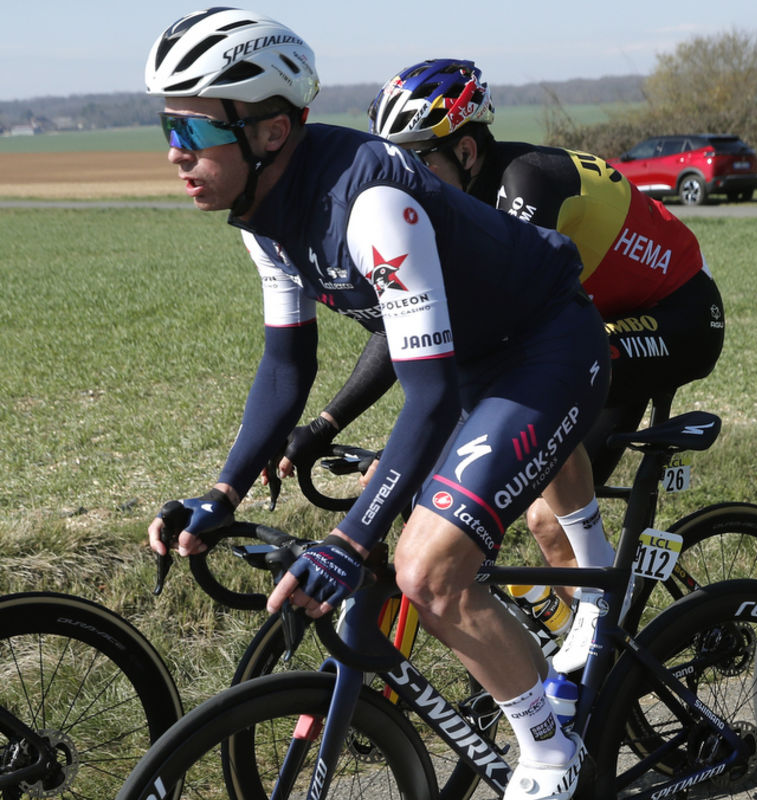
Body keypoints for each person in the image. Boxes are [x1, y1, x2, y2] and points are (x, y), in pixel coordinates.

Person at [141, 9, 604, 798]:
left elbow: (423, 395)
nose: (176, 155)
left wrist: (350, 542)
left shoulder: (369, 205)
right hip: (472, 363)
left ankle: (553, 753)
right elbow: (287, 368)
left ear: (271, 132)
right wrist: (219, 496)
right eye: (168, 130)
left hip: (542, 347)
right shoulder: (262, 216)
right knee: (398, 531)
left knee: (426, 568)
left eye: (193, 133)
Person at [280, 58, 724, 672]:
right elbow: (411, 327)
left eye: (416, 161)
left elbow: (509, 348)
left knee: (547, 512)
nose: (398, 180)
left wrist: (418, 451)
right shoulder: (443, 202)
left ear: (465, 150)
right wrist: (324, 424)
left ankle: (609, 668)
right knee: (542, 511)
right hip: (604, 319)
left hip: (677, 316)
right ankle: (606, 666)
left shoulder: (526, 185)